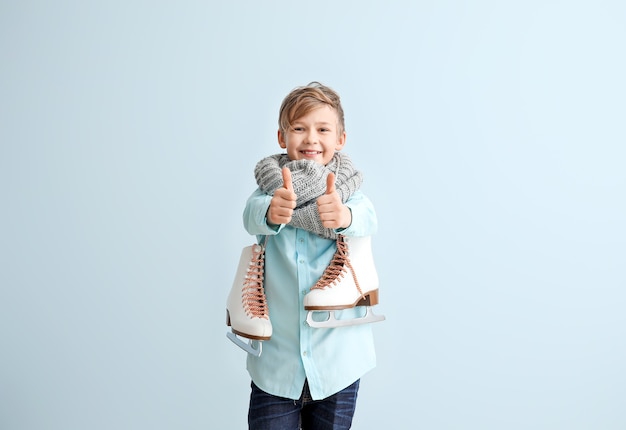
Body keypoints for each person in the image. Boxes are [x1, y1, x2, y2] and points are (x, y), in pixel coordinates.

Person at [242, 82, 379, 430]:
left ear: (340, 139)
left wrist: (344, 217)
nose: (310, 139)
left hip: (338, 363)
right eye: (299, 128)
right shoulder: (270, 190)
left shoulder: (347, 192)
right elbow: (251, 215)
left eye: (322, 129)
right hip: (277, 366)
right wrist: (274, 211)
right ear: (281, 137)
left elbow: (368, 219)